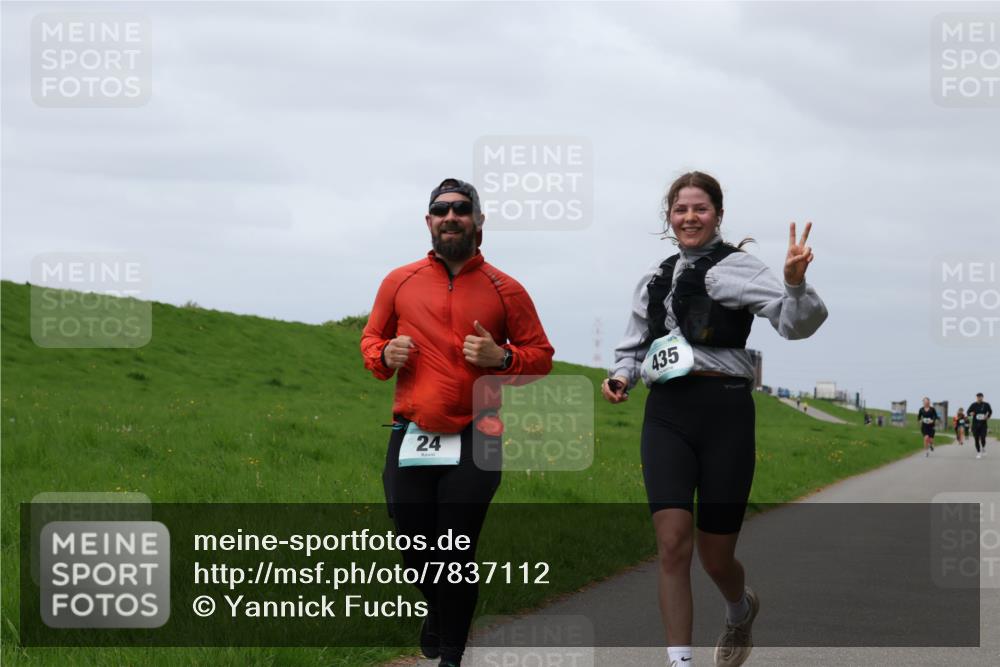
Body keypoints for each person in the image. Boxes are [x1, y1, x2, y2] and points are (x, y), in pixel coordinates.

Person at [602, 171, 828, 667]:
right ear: (669, 218)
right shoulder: (654, 278)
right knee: (671, 543)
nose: (689, 217)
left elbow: (797, 325)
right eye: (680, 209)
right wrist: (621, 377)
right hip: (667, 415)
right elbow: (633, 345)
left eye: (700, 209)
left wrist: (794, 283)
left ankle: (739, 609)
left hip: (725, 412)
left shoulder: (741, 269)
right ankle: (681, 662)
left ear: (718, 216)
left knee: (715, 556)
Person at [361, 178, 554, 667]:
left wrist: (501, 356)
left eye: (461, 209)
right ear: (428, 221)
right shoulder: (398, 282)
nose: (451, 217)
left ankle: (451, 655)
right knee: (411, 542)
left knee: (455, 549)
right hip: (412, 434)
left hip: (477, 436)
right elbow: (369, 344)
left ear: (478, 221)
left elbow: (541, 358)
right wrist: (385, 353)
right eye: (440, 209)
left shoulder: (505, 289)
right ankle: (439, 611)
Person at [968, 392, 993, 458]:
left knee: (983, 438)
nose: (979, 398)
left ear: (982, 397)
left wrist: (987, 416)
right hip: (975, 425)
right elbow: (968, 412)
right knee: (976, 439)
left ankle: (983, 447)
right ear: (976, 398)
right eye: (978, 397)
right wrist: (971, 413)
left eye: (980, 397)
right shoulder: (973, 405)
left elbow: (990, 411)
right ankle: (978, 452)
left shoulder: (986, 404)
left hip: (983, 425)